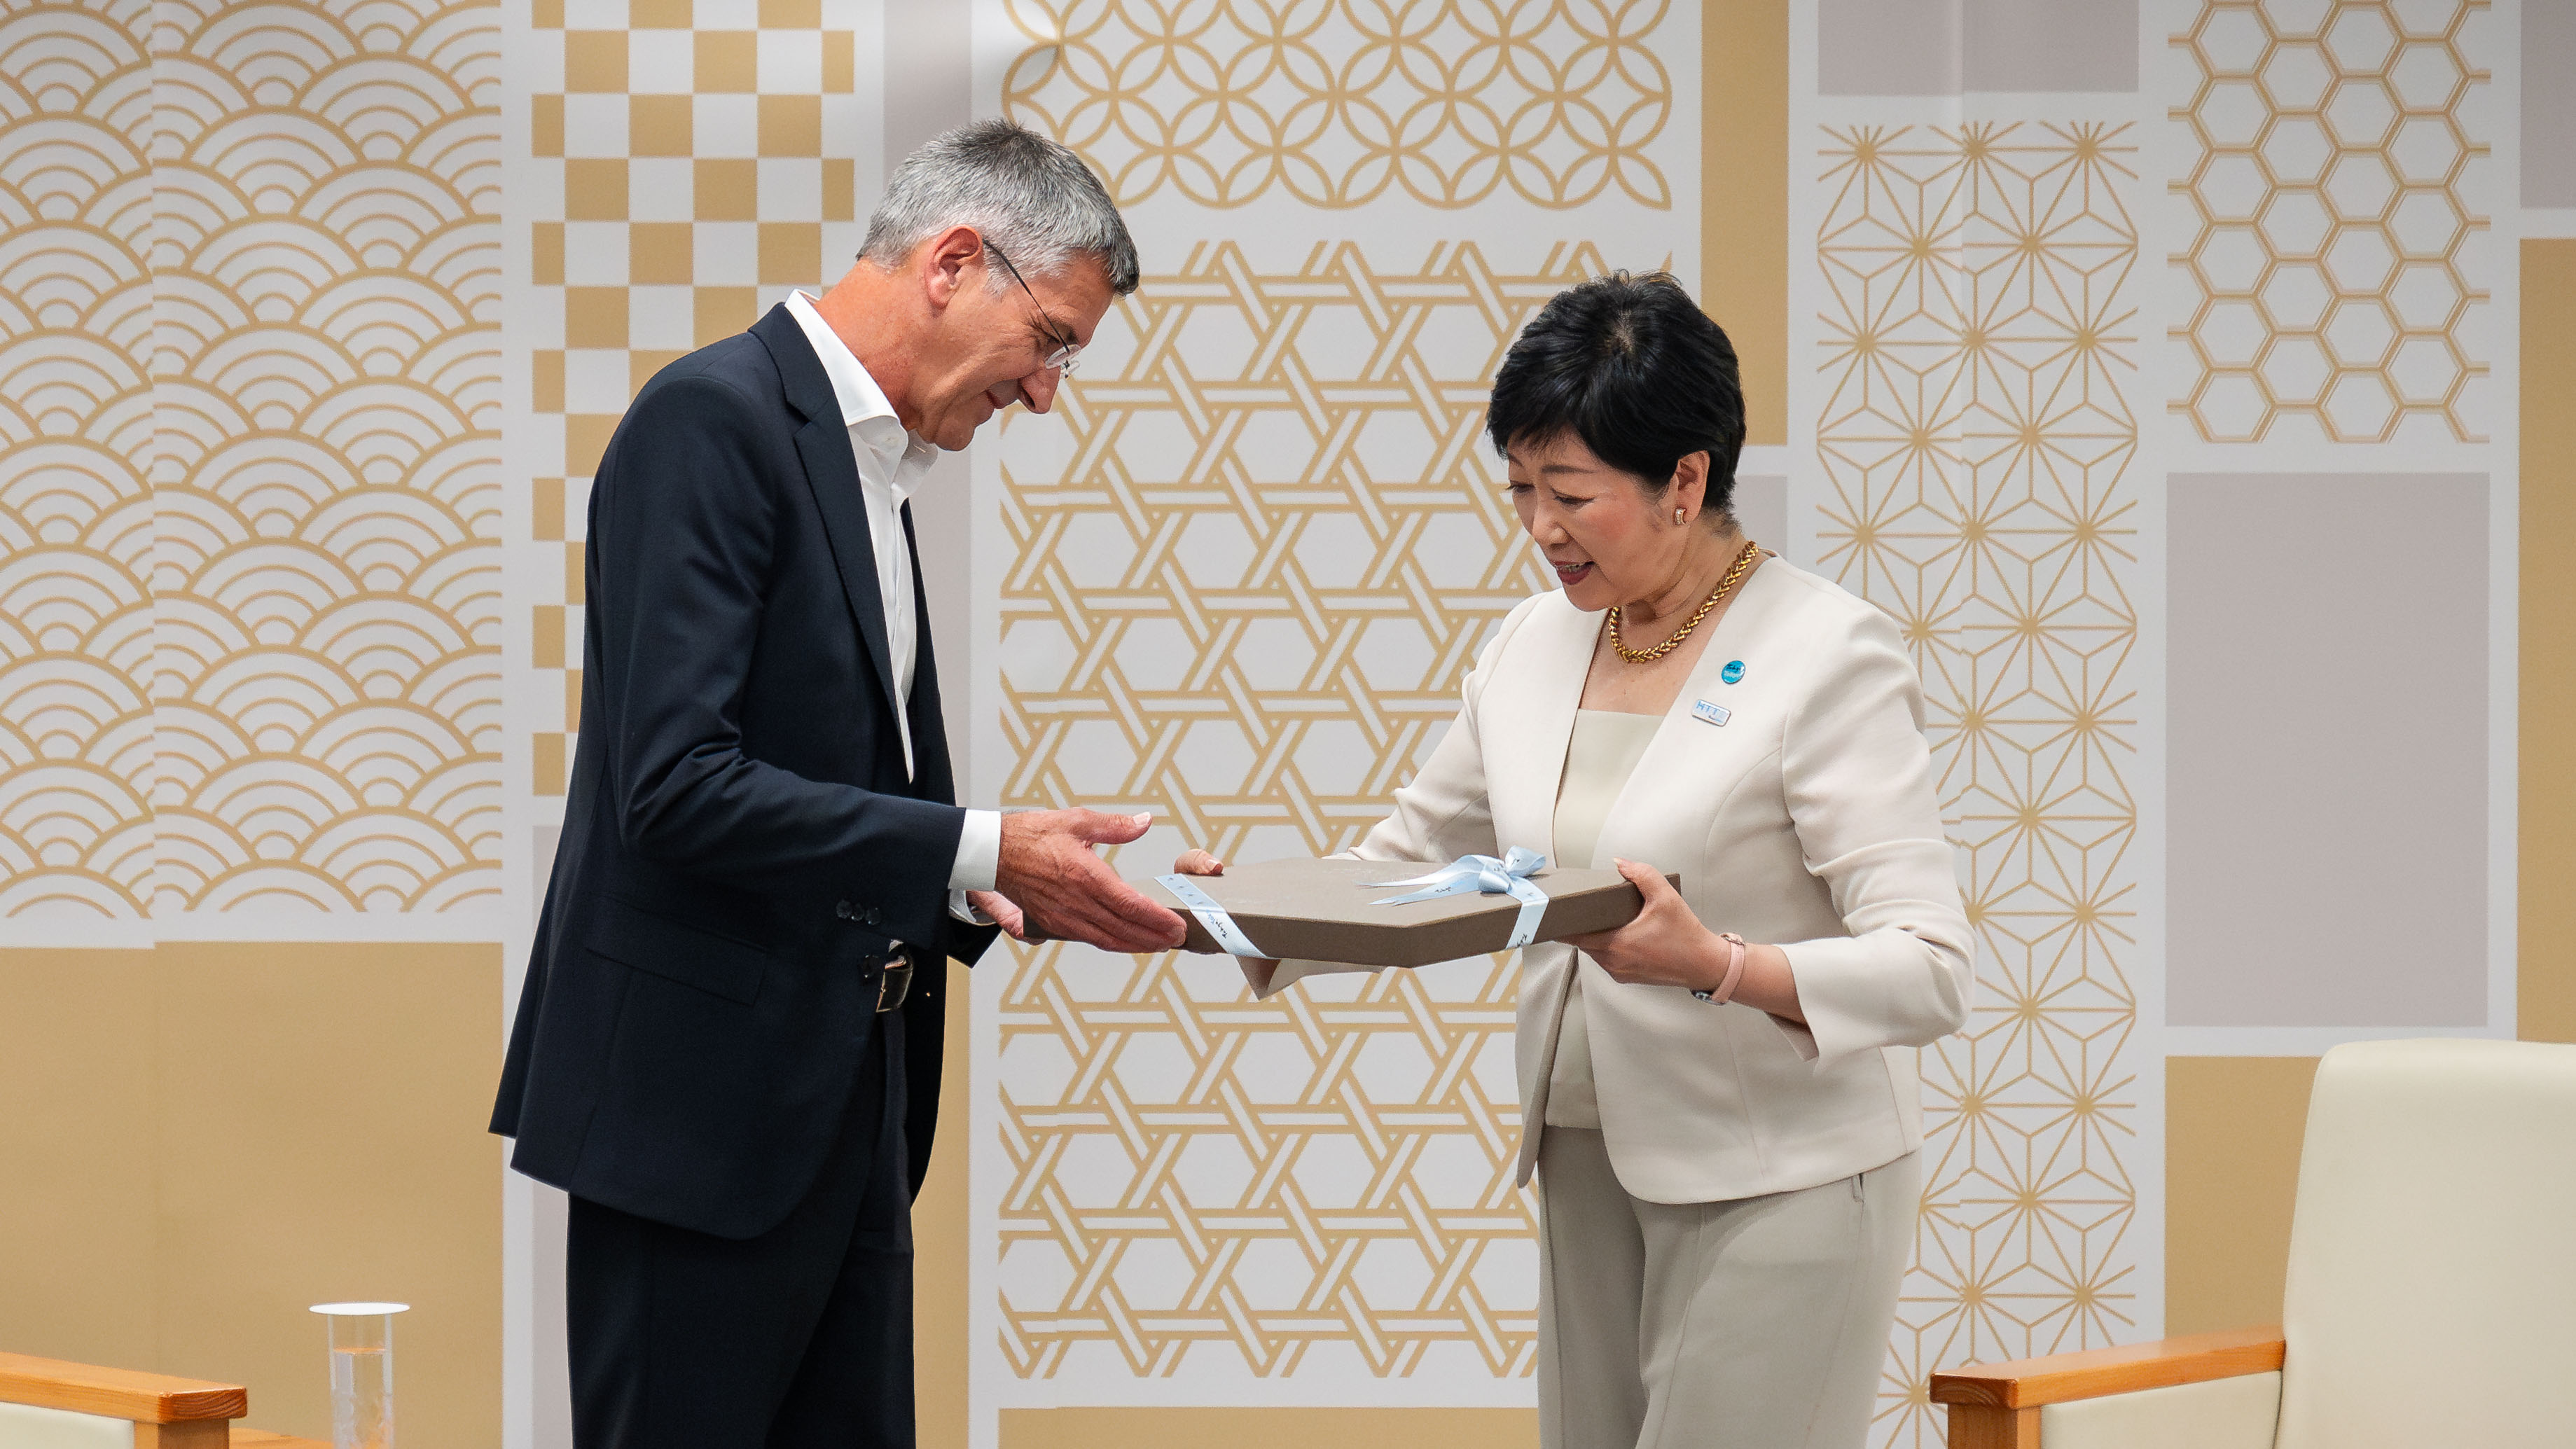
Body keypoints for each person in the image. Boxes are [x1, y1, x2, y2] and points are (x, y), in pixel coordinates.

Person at [1175, 272, 1971, 1449]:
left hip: (1784, 1175)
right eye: (1517, 489)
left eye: (1570, 493)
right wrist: (1235, 910)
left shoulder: (1823, 655)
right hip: (1587, 1153)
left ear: (1685, 480)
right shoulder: (1531, 641)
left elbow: (1930, 966)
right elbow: (1405, 859)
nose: (1539, 527)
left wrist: (1718, 964)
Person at [491, 120, 1186, 1449]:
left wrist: (1000, 885)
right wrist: (982, 842)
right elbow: (676, 786)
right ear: (954, 261)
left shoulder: (878, 467)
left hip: (845, 1101)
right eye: (1053, 340)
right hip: (697, 1119)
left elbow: (842, 782)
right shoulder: (712, 420)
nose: (1047, 392)